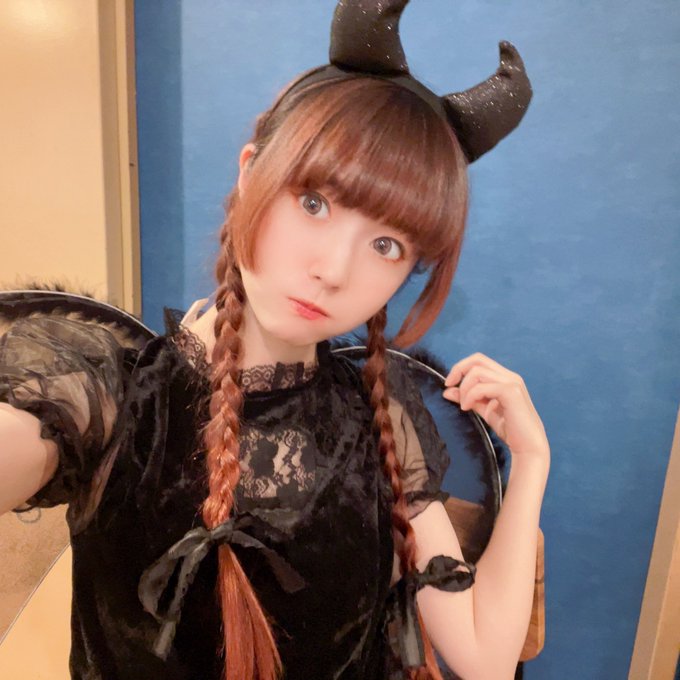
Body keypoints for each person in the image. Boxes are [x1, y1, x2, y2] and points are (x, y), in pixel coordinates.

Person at [0, 1, 550, 679]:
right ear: (250, 170)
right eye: (314, 203)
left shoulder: (379, 418)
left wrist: (532, 460)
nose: (334, 269)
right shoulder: (110, 391)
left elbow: (484, 657)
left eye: (386, 244)